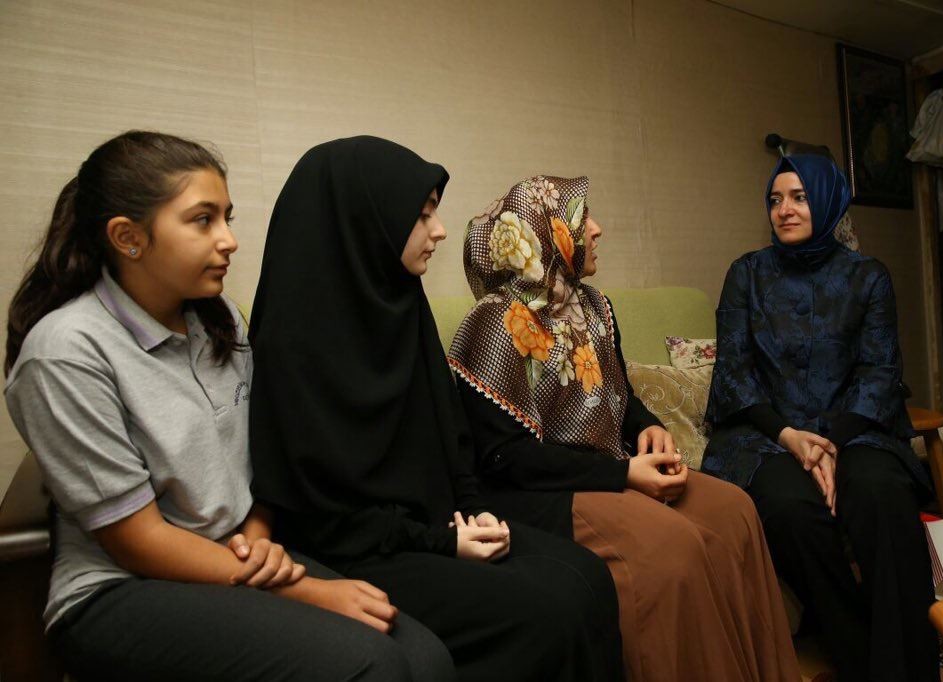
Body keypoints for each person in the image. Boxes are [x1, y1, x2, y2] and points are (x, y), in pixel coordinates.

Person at [4, 131, 455, 682]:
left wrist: (258, 540)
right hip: (122, 588)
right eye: (203, 220)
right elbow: (138, 542)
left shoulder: (220, 323)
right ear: (128, 237)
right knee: (373, 665)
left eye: (228, 218)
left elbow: (260, 462)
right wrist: (299, 588)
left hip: (238, 555)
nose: (230, 240)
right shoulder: (66, 352)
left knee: (428, 659)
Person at [247, 137, 624, 682]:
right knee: (545, 614)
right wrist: (445, 541)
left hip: (432, 526)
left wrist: (472, 511)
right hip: (358, 551)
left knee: (587, 576)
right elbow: (323, 519)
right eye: (422, 215)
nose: (441, 230)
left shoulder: (401, 306)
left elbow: (452, 441)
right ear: (365, 222)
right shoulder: (295, 342)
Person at [449, 175, 800, 682]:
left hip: (614, 468)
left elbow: (621, 397)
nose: (596, 229)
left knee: (736, 511)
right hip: (544, 491)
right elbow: (506, 458)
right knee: (672, 547)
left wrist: (648, 429)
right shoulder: (494, 323)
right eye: (581, 217)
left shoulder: (593, 306)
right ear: (545, 232)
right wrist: (625, 475)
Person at [701, 153, 938, 682]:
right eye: (775, 199)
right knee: (791, 508)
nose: (784, 209)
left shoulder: (868, 276)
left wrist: (830, 442)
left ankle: (911, 669)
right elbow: (734, 371)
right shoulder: (746, 274)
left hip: (855, 428)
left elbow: (880, 370)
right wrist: (791, 437)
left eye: (799, 197)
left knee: (881, 494)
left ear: (829, 201)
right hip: (766, 434)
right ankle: (861, 656)